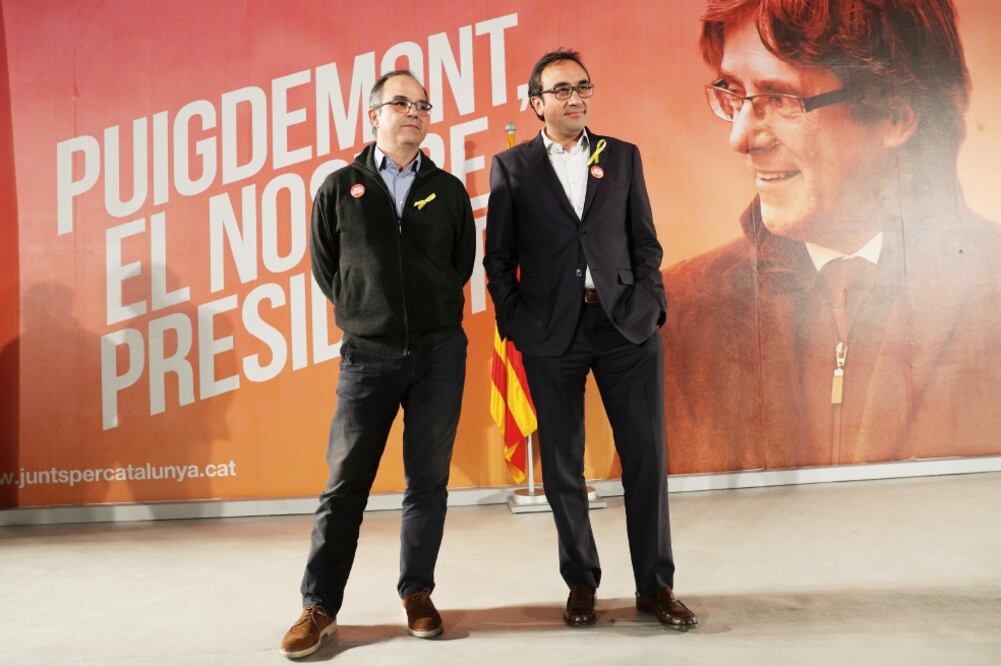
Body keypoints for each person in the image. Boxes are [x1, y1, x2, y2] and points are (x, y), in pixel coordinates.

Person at [662, 0, 1001, 474]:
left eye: (779, 99)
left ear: (895, 116)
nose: (740, 137)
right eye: (733, 93)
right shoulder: (680, 309)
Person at [484, 50, 697, 630]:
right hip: (552, 332)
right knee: (561, 466)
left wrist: (650, 304)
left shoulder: (622, 156)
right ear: (537, 103)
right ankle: (581, 582)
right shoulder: (513, 168)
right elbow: (498, 258)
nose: (574, 97)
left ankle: (656, 587)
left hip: (624, 324)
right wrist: (516, 322)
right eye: (560, 90)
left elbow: (645, 241)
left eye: (582, 87)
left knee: (647, 460)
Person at [280, 70, 475, 658]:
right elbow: (326, 265)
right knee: (344, 486)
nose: (412, 111)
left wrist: (430, 305)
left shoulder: (448, 189)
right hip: (367, 356)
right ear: (373, 116)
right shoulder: (340, 187)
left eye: (421, 104)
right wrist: (366, 311)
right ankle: (319, 607)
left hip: (438, 354)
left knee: (427, 483)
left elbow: (460, 262)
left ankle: (417, 593)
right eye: (400, 102)